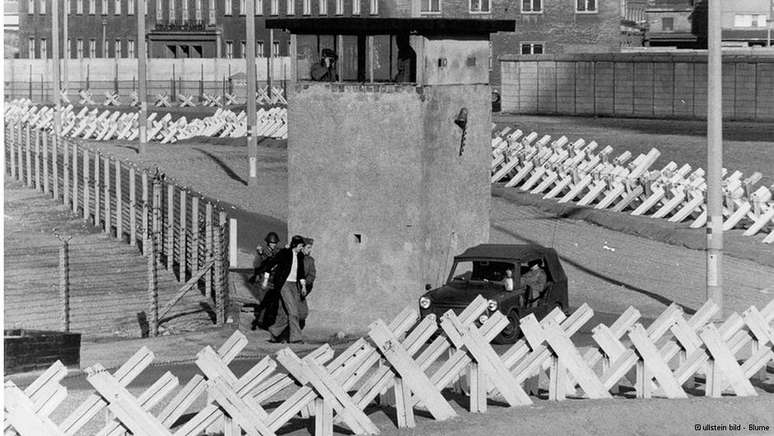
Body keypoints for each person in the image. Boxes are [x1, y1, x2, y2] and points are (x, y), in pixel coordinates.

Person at [258, 235, 307, 343]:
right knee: (293, 312)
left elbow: (301, 272)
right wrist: (265, 280)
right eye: (300, 246)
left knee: (286, 312)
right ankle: (296, 338)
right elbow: (270, 264)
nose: (301, 248)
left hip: (295, 285)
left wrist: (303, 286)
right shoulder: (284, 253)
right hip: (284, 284)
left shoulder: (300, 256)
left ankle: (274, 332)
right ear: (295, 245)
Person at [298, 237, 316, 330]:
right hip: (291, 288)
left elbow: (312, 275)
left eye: (310, 248)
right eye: (308, 247)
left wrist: (305, 285)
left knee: (303, 312)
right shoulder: (295, 258)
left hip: (302, 290)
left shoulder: (310, 261)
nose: (310, 250)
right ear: (302, 248)